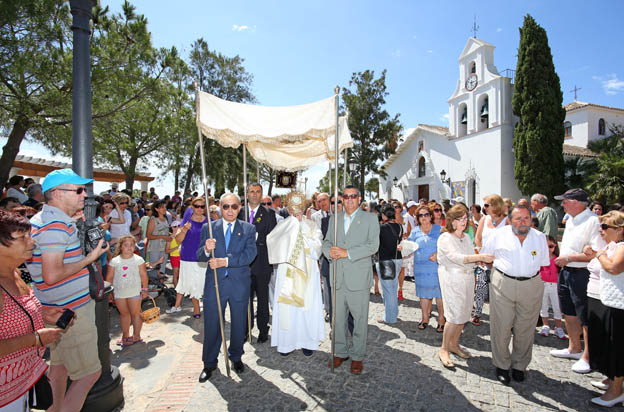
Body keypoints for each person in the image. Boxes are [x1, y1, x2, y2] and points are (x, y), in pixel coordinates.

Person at [25, 168, 108, 411]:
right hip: (72, 311)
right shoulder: (56, 225)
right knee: (88, 375)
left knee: (59, 369)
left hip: (55, 308)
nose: (85, 196)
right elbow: (52, 274)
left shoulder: (44, 221)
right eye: (79, 190)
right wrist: (90, 257)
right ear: (58, 194)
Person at [0, 210, 67, 410]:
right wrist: (35, 339)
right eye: (22, 237)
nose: (32, 243)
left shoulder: (15, 273)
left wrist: (43, 313)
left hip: (22, 386)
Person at [481, 204, 549, 385]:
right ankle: (501, 365)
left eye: (526, 218)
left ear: (531, 219)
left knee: (525, 328)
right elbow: (486, 257)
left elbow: (542, 261)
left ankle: (519, 366)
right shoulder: (498, 235)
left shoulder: (539, 237)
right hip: (503, 284)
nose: (522, 222)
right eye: (518, 218)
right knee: (501, 326)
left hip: (531, 285)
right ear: (510, 220)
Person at [197, 193, 257, 382]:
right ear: (219, 208)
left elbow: (250, 255)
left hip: (239, 283)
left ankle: (236, 356)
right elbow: (199, 255)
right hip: (215, 284)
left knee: (239, 323)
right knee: (213, 323)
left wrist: (226, 262)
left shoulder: (248, 228)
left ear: (240, 208)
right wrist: (206, 249)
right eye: (225, 207)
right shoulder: (209, 228)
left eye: (233, 206)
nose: (230, 210)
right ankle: (209, 362)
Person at [322, 185, 379, 375]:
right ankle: (340, 351)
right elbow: (326, 241)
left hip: (358, 278)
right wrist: (329, 251)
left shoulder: (370, 219)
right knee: (337, 320)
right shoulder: (334, 219)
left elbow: (373, 246)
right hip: (337, 276)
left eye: (353, 196)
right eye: (345, 197)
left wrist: (348, 253)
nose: (349, 200)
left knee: (360, 319)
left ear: (359, 198)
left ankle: (357, 356)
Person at [550, 189, 602, 375]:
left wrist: (570, 258)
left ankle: (587, 357)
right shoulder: (570, 219)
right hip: (566, 271)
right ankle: (574, 348)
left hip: (582, 274)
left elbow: (595, 253)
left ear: (577, 202)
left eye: (565, 201)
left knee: (585, 316)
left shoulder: (593, 221)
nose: (562, 204)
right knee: (569, 312)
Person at [267, 192, 325, 356]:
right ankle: (287, 343)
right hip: (287, 271)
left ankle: (307, 341)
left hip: (307, 272)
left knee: (307, 305)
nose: (297, 212)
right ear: (289, 209)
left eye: (300, 209)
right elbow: (273, 244)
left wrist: (301, 236)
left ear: (305, 208)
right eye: (294, 209)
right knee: (288, 306)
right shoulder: (282, 225)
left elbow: (317, 248)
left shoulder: (312, 225)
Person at [437, 205, 494, 368]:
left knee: (464, 313)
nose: (464, 222)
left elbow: (471, 257)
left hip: (469, 278)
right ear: (451, 221)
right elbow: (456, 257)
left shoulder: (467, 238)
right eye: (459, 219)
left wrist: (480, 260)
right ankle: (444, 349)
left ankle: (454, 344)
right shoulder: (445, 238)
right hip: (452, 278)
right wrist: (479, 256)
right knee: (454, 315)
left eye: (465, 218)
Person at [583, 211, 624, 407]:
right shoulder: (612, 245)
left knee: (617, 347)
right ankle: (610, 380)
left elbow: (614, 268)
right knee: (607, 343)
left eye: (605, 227)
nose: (601, 230)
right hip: (608, 301)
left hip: (619, 305)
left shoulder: (622, 247)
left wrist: (599, 254)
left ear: (619, 229)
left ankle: (616, 391)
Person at [238, 183, 277, 343]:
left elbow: (273, 237)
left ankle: (263, 329)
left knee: (262, 299)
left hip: (262, 262)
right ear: (246, 194)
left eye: (258, 192)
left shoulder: (269, 213)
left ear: (261, 195)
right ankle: (246, 329)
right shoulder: (239, 212)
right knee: (244, 299)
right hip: (243, 265)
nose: (254, 194)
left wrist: (257, 238)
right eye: (251, 191)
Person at [167, 196, 207, 318]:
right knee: (192, 284)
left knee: (201, 283)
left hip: (203, 256)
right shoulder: (187, 221)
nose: (199, 209)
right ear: (192, 207)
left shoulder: (208, 221)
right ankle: (196, 308)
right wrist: (184, 230)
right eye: (197, 206)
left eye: (202, 206)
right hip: (188, 256)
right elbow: (178, 240)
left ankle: (200, 304)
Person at [106, 234, 148, 347]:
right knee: (124, 314)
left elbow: (143, 275)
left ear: (134, 247)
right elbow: (109, 277)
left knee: (136, 314)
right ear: (121, 247)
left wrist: (144, 289)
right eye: (126, 245)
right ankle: (125, 335)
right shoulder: (115, 261)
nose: (129, 248)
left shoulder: (138, 260)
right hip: (120, 292)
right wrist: (109, 292)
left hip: (134, 291)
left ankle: (137, 336)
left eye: (131, 245)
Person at [473, 194, 508, 326]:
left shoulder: (507, 221)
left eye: (487, 205)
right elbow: (477, 238)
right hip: (483, 262)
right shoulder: (484, 219)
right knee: (481, 288)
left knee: (499, 292)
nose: (484, 207)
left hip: (500, 263)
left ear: (496, 206)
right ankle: (478, 313)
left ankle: (499, 317)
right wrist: (481, 254)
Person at [409, 204, 445, 332]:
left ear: (431, 216)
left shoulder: (440, 230)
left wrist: (439, 254)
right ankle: (425, 318)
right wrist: (402, 247)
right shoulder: (414, 231)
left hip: (436, 267)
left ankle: (441, 319)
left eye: (426, 214)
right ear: (417, 218)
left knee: (439, 294)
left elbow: (448, 247)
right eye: (420, 215)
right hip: (420, 268)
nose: (423, 217)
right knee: (423, 294)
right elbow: (409, 245)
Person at [376, 205, 403, 324]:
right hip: (397, 259)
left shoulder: (381, 228)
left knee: (389, 290)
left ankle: (390, 317)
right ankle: (392, 312)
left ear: (384, 215)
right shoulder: (400, 227)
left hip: (385, 261)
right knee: (393, 288)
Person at [320, 193, 342, 322]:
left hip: (347, 266)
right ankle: (334, 325)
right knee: (332, 298)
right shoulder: (325, 221)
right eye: (333, 203)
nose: (335, 205)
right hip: (329, 264)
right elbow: (324, 243)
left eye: (338, 202)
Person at [539, 236, 566, 339]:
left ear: (555, 246)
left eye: (550, 246)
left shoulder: (557, 259)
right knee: (544, 306)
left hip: (554, 285)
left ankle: (558, 328)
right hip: (542, 284)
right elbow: (531, 254)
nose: (548, 249)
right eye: (545, 246)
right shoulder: (539, 257)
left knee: (556, 307)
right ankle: (545, 325)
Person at [146, 200, 171, 281]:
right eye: (162, 207)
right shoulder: (153, 220)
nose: (164, 209)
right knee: (154, 268)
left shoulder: (166, 219)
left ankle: (161, 288)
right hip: (155, 247)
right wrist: (163, 236)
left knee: (162, 268)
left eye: (165, 207)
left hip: (164, 247)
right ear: (156, 209)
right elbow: (149, 235)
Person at [392, 201, 408, 301]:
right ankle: (393, 290)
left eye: (397, 207)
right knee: (393, 269)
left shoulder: (405, 219)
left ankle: (400, 289)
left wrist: (405, 235)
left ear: (401, 208)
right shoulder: (390, 220)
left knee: (402, 269)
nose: (395, 209)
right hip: (392, 246)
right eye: (393, 207)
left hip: (403, 246)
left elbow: (409, 231)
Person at [167, 221, 182, 288]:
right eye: (175, 226)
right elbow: (167, 250)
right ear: (171, 228)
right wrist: (176, 248)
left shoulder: (183, 236)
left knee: (181, 274)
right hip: (174, 257)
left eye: (179, 226)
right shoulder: (170, 238)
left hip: (182, 257)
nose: (177, 228)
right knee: (175, 274)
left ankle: (180, 289)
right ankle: (177, 290)